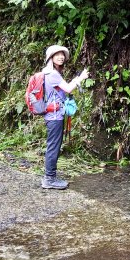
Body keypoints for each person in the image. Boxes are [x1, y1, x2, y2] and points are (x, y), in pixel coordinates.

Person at [41, 45, 89, 190]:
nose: (61, 57)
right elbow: (68, 88)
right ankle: (49, 179)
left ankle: (50, 177)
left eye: (62, 55)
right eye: (57, 55)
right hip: (54, 116)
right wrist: (80, 78)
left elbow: (62, 89)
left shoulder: (48, 72)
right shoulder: (52, 74)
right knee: (53, 147)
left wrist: (75, 80)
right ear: (51, 57)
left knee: (53, 145)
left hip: (53, 114)